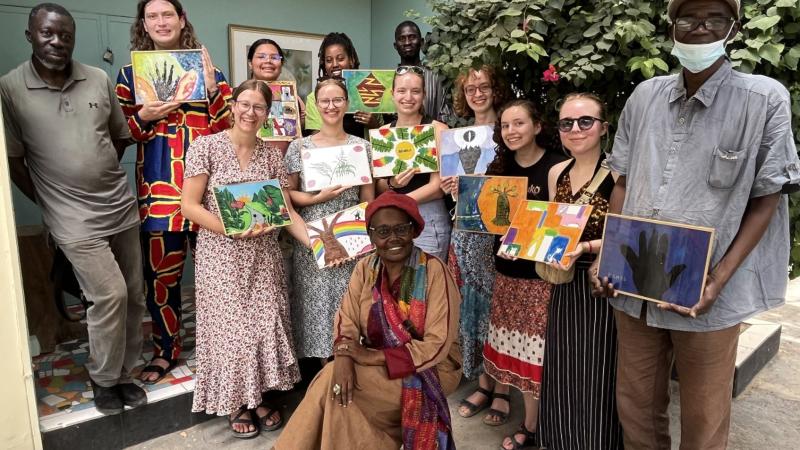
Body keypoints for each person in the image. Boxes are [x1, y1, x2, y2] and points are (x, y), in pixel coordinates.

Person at [591, 0, 800, 448]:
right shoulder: (645, 96)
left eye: (715, 19)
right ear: (671, 26)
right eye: (687, 17)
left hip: (709, 293)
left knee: (704, 420)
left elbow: (766, 199)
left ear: (734, 27)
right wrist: (610, 255)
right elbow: (622, 184)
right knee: (636, 407)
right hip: (636, 285)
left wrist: (717, 281)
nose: (700, 28)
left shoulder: (764, 98)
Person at [1, 3, 146, 415]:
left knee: (134, 296)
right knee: (110, 294)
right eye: (48, 33)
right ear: (31, 35)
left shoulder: (97, 78)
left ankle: (122, 375)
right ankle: (103, 379)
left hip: (118, 206)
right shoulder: (10, 89)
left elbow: (119, 136)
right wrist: (50, 201)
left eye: (65, 35)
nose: (57, 42)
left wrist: (97, 170)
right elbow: (12, 162)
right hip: (71, 217)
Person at [274, 191, 462, 450]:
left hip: (429, 368)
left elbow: (437, 345)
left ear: (414, 231)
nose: (393, 238)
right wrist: (342, 357)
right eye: (383, 232)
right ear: (371, 236)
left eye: (400, 229)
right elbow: (346, 318)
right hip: (377, 359)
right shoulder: (366, 268)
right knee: (337, 385)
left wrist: (371, 357)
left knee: (338, 390)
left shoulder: (434, 270)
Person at [181, 80, 310, 438]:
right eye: (245, 104)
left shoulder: (272, 156)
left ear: (267, 114)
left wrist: (317, 244)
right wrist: (230, 230)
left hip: (264, 256)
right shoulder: (205, 147)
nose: (250, 113)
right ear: (233, 106)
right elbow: (189, 206)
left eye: (259, 107)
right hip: (221, 257)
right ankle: (238, 403)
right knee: (232, 332)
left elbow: (286, 213)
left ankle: (257, 398)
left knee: (263, 325)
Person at [115, 0, 233, 385]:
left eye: (169, 14)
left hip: (208, 196)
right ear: (144, 25)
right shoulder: (129, 76)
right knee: (161, 281)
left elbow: (232, 131)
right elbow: (117, 135)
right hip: (158, 195)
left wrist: (214, 91)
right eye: (153, 16)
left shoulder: (211, 72)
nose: (161, 22)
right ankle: (167, 350)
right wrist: (142, 117)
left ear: (182, 21)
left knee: (218, 276)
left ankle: (222, 346)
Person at [537, 93, 623, 449]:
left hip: (602, 281)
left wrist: (586, 248)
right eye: (567, 123)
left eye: (585, 121)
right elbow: (554, 228)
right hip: (564, 283)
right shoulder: (558, 172)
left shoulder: (619, 173)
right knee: (564, 366)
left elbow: (628, 230)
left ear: (603, 127)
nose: (575, 129)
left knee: (600, 370)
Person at [483, 99, 566, 450]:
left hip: (539, 279)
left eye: (519, 123)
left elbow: (562, 224)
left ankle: (532, 427)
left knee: (535, 355)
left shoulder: (557, 166)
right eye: (505, 125)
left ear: (537, 126)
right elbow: (488, 218)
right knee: (510, 347)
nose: (512, 131)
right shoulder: (498, 165)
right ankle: (525, 417)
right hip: (505, 272)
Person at [284, 77, 374, 361]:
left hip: (352, 240)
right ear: (316, 105)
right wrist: (316, 198)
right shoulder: (299, 147)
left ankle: (347, 364)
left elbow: (367, 200)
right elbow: (287, 196)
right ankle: (324, 372)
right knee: (317, 306)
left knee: (349, 304)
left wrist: (357, 238)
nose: (331, 106)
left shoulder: (362, 147)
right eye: (325, 100)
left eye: (337, 100)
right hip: (311, 238)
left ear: (346, 104)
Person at [438, 66, 510, 417]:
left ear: (496, 89)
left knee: (499, 310)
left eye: (484, 86)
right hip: (465, 233)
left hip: (499, 233)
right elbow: (452, 187)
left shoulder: (508, 130)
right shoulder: (456, 135)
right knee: (471, 309)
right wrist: (452, 187)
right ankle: (483, 384)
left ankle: (503, 389)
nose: (477, 93)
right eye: (470, 88)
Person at [375, 66, 450, 260]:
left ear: (424, 94)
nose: (408, 97)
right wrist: (393, 184)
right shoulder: (384, 132)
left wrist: (400, 201)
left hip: (429, 218)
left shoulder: (438, 130)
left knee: (429, 283)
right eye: (401, 91)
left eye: (415, 91)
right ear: (392, 94)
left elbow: (438, 187)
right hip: (392, 220)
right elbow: (380, 185)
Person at [304, 32, 381, 138]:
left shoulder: (369, 91)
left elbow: (384, 139)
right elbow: (315, 142)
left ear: (352, 60)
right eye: (329, 60)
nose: (335, 64)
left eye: (340, 59)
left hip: (366, 153)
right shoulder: (314, 98)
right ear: (324, 64)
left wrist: (374, 124)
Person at [247, 37, 306, 151]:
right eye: (261, 56)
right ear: (250, 63)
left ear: (281, 64)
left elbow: (295, 136)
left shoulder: (291, 97)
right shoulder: (238, 95)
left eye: (274, 57)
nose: (268, 61)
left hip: (286, 163)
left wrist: (301, 122)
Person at [393, 20, 450, 122]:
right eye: (402, 39)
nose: (407, 43)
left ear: (422, 42)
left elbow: (446, 116)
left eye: (412, 37)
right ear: (395, 46)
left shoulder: (437, 76)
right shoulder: (389, 78)